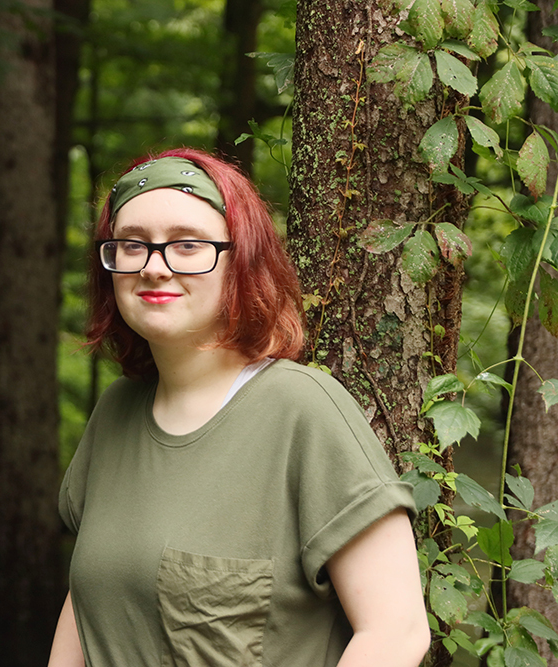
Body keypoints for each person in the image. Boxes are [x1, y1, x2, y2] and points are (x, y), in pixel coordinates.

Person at [47, 148, 430, 667]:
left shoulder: (302, 410)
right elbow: (87, 608)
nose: (154, 267)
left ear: (242, 263)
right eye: (131, 244)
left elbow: (397, 632)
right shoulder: (115, 412)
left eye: (187, 245)